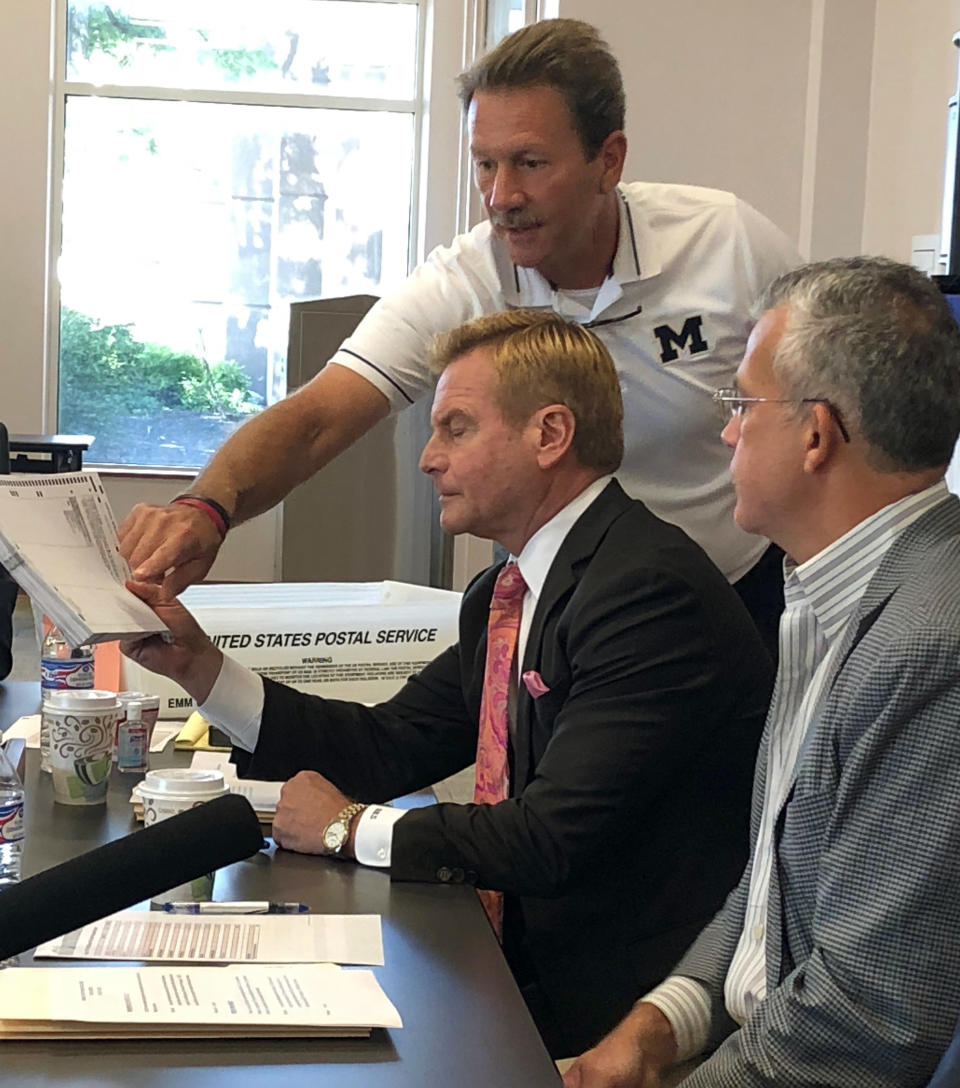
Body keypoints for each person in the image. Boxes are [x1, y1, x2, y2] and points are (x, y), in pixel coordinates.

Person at [123, 310, 772, 1059]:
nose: (429, 459)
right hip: (522, 982)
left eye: (456, 428)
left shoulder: (646, 591)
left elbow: (549, 838)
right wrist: (199, 669)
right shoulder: (506, 592)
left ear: (550, 435)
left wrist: (349, 827)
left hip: (622, 1021)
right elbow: (389, 746)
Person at [117, 18, 798, 653]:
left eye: (530, 163)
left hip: (739, 593)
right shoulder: (467, 280)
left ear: (609, 160)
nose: (501, 196)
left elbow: (828, 406)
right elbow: (320, 417)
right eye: (485, 164)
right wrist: (206, 508)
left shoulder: (728, 243)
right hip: (564, 606)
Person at [562, 256, 960, 1088]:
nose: (727, 431)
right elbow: (783, 880)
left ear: (816, 434)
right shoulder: (822, 596)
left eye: (741, 404)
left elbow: (869, 1020)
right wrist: (661, 1022)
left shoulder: (933, 646)